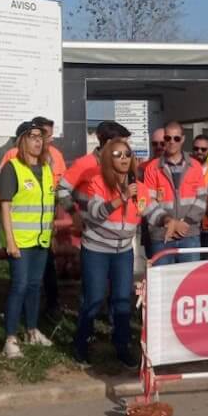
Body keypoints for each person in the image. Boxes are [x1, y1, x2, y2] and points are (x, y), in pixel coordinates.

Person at [74, 138, 143, 368]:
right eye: (118, 155)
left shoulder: (138, 186)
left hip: (123, 250)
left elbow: (150, 210)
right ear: (107, 159)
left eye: (127, 154)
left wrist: (167, 220)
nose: (124, 159)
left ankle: (122, 347)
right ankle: (81, 346)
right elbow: (95, 212)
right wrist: (118, 199)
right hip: (96, 249)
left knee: (123, 299)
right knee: (94, 298)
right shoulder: (97, 182)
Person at [0, 120, 57, 358]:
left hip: (40, 240)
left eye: (40, 136)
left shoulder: (46, 168)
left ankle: (32, 330)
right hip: (20, 241)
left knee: (35, 287)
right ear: (22, 140)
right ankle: (10, 338)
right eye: (32, 136)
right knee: (19, 287)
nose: (37, 140)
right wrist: (10, 241)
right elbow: (5, 206)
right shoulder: (12, 168)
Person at [144, 120, 207, 265]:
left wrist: (185, 223)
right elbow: (148, 202)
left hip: (189, 235)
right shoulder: (152, 168)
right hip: (162, 236)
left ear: (183, 139)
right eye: (168, 138)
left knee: (189, 284)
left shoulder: (195, 166)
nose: (172, 142)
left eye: (176, 138)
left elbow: (202, 198)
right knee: (162, 285)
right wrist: (169, 222)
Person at [58, 120, 131, 214]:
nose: (127, 147)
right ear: (109, 143)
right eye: (123, 143)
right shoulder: (84, 164)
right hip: (90, 224)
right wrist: (74, 214)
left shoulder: (124, 164)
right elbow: (62, 189)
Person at [191, 134, 208, 250]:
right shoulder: (185, 169)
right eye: (196, 149)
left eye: (203, 149)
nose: (199, 152)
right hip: (190, 227)